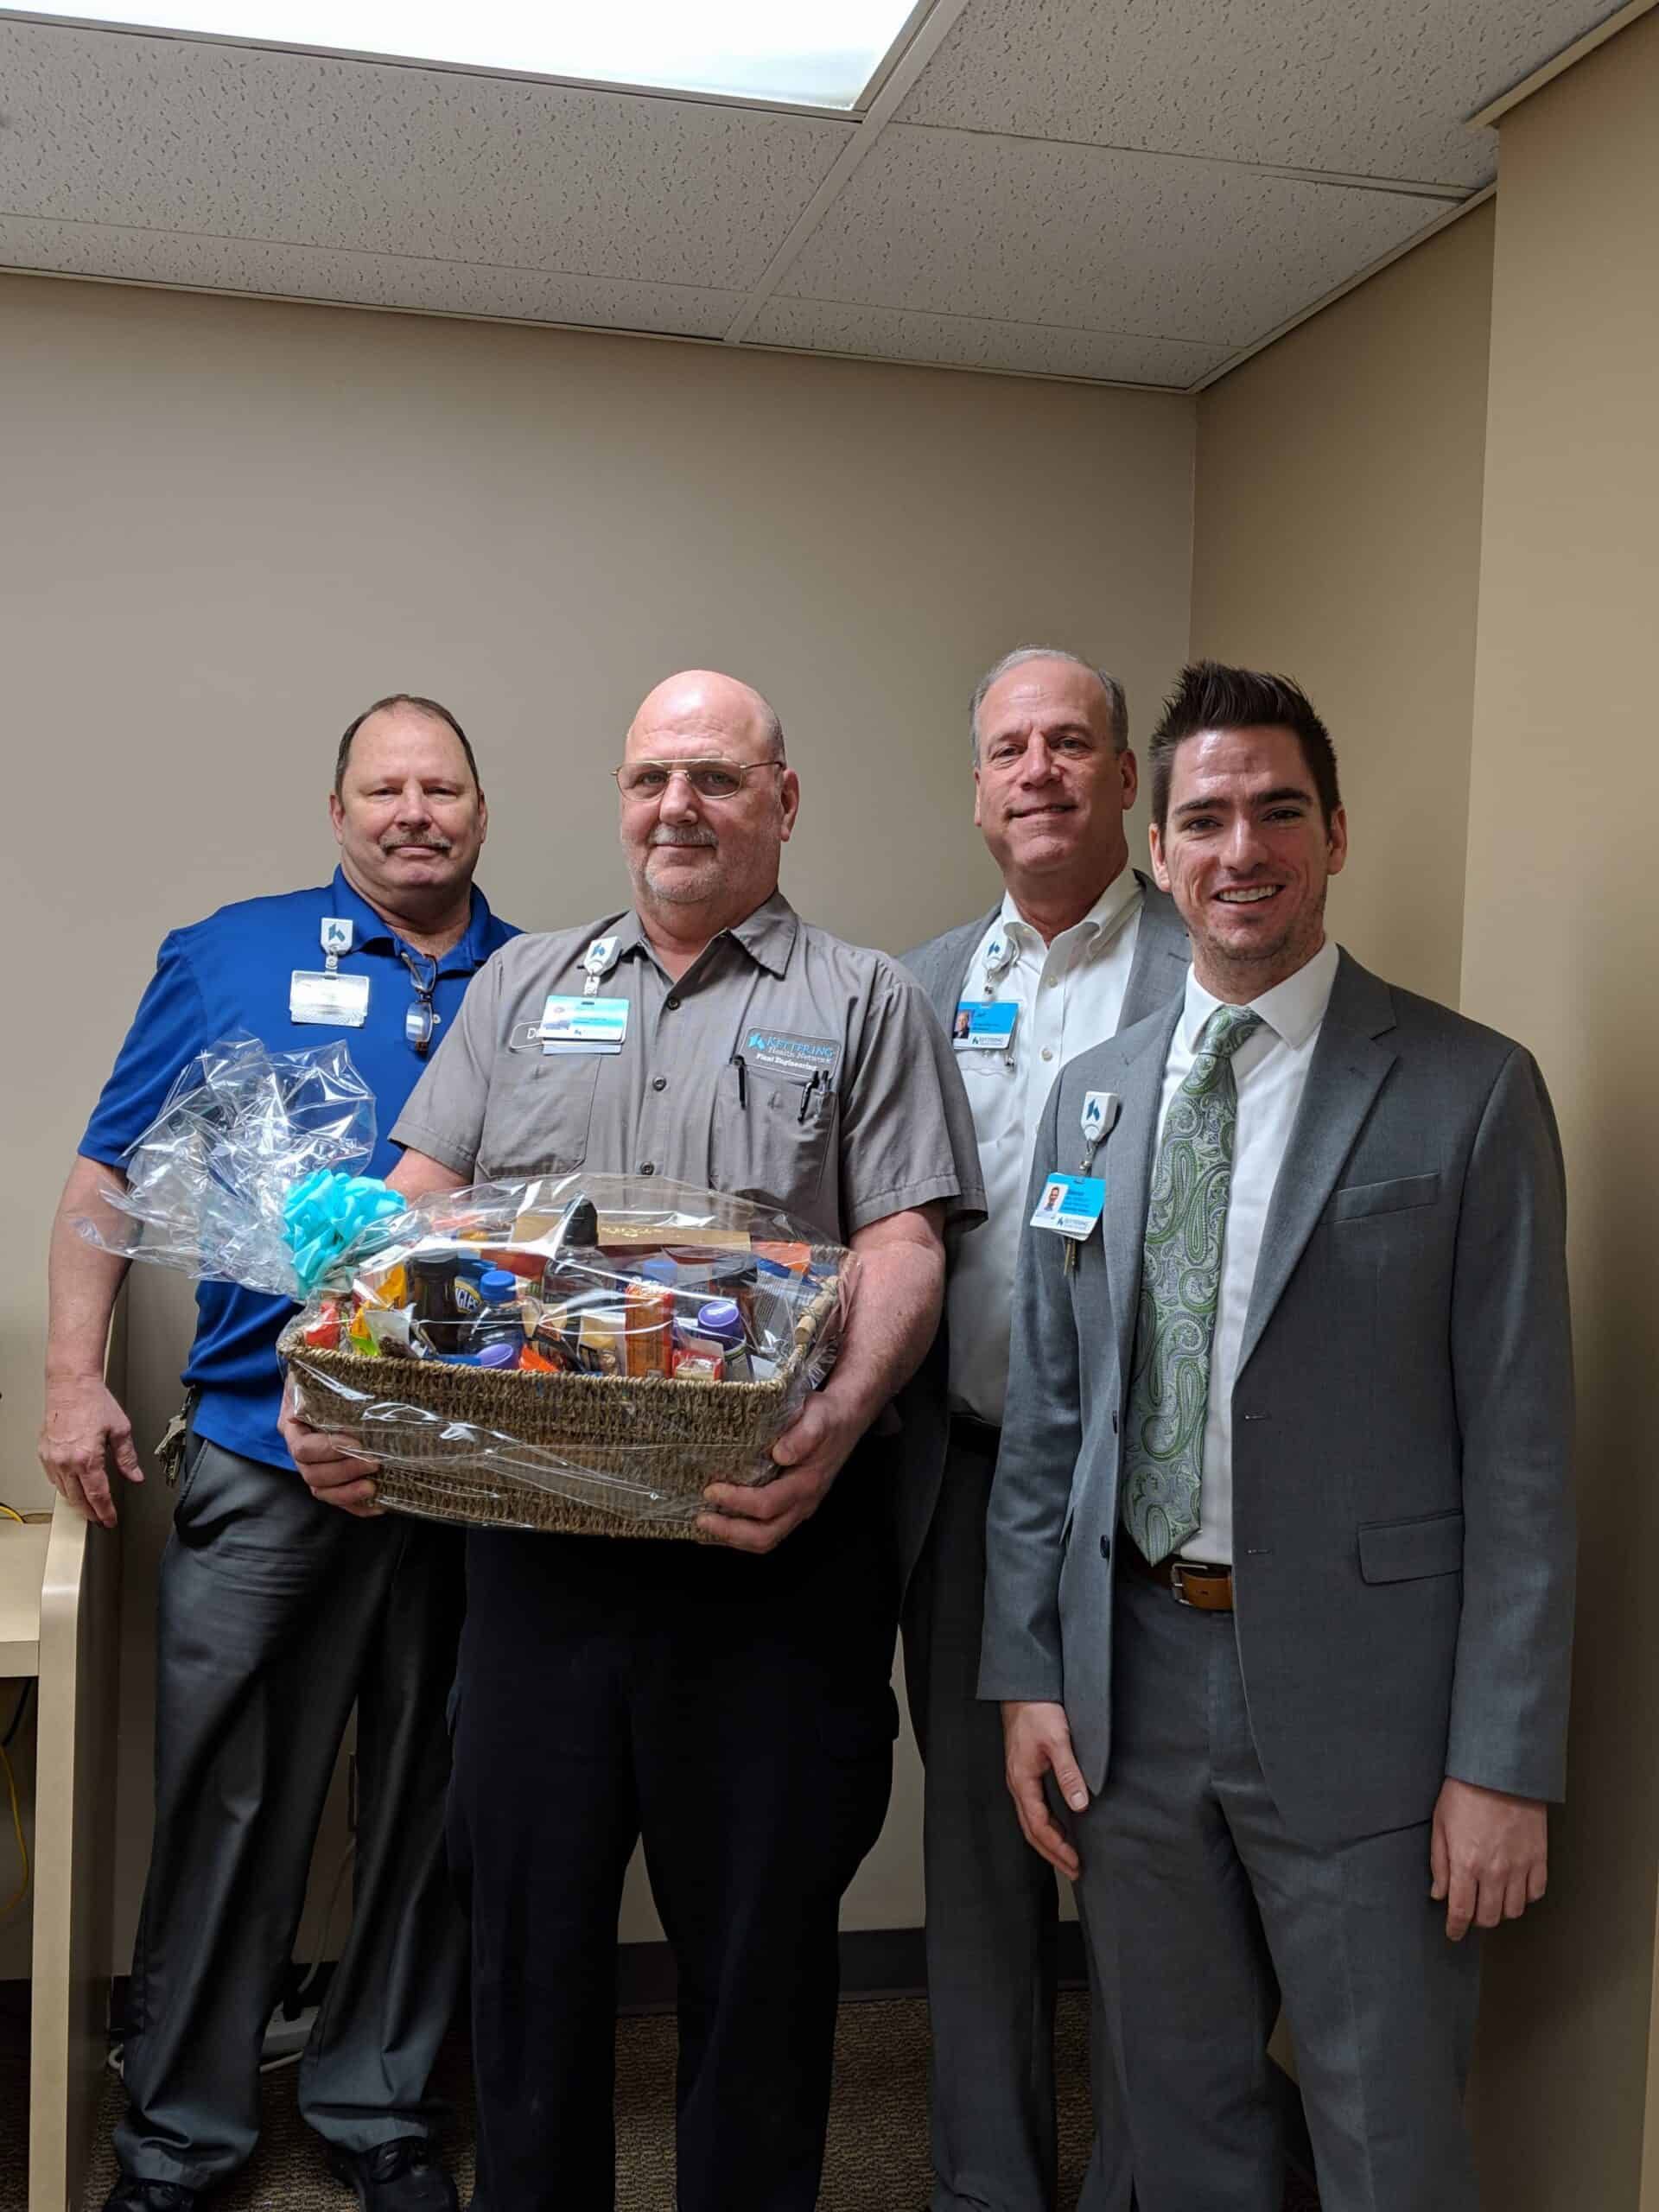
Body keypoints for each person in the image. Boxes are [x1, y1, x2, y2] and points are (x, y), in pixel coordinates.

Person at [285, 669, 984, 2212]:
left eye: (717, 778)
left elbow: (906, 1248)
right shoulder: (522, 987)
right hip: (538, 1567)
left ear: (783, 802)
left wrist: (838, 1424)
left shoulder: (867, 1000)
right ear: (619, 799)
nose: (680, 807)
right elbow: (413, 1211)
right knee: (526, 1963)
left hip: (771, 1559)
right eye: (652, 777)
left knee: (759, 1967)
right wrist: (327, 1372)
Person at [982, 661, 1575, 2212]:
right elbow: (1052, 1424)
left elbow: (1522, 1457)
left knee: (1388, 2139)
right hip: (1137, 1687)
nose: (1240, 848)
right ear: (1159, 852)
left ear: (1334, 835)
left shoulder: (1467, 1091)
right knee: (1181, 2124)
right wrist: (1030, 1673)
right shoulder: (1094, 1104)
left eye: (1276, 812)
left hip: (1375, 1715)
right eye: (1205, 819)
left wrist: (1502, 1764)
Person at [40, 695, 518, 2212]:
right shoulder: (229, 953)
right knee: (228, 1797)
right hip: (262, 1450)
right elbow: (109, 1168)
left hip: (473, 1462)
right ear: (338, 813)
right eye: (383, 789)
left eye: (441, 787)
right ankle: (180, 2133)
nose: (413, 813)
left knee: (440, 1791)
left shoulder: (551, 978)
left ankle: (380, 2103)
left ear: (480, 812)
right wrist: (71, 1376)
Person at [898, 646, 1188, 2212]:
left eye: (1072, 743)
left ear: (1126, 777)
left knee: (1145, 1872)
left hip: (1133, 1501)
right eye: (1010, 748)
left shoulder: (1196, 968)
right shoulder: (928, 980)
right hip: (961, 1477)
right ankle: (985, 2185)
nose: (1040, 772)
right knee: (979, 1874)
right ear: (981, 788)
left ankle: (1144, 2183)